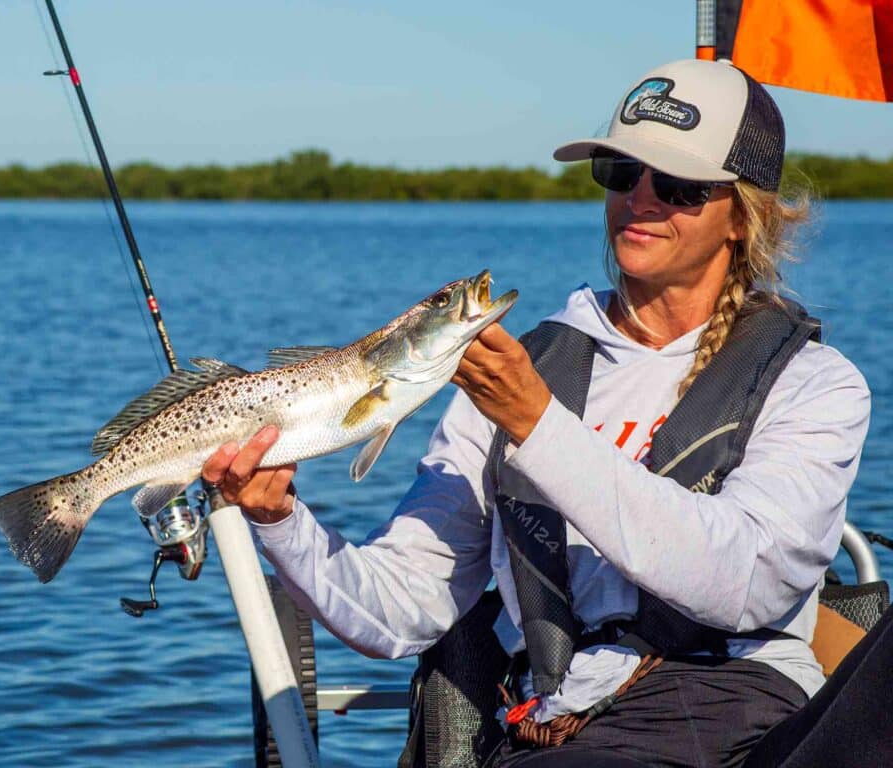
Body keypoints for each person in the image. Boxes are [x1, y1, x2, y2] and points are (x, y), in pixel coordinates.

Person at [202, 59, 872, 767]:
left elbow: (745, 581)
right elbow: (402, 607)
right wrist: (280, 522)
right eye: (620, 171)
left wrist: (539, 426)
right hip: (567, 726)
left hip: (740, 709)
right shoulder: (510, 378)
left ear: (743, 216)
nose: (639, 199)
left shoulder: (815, 384)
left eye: (676, 184)